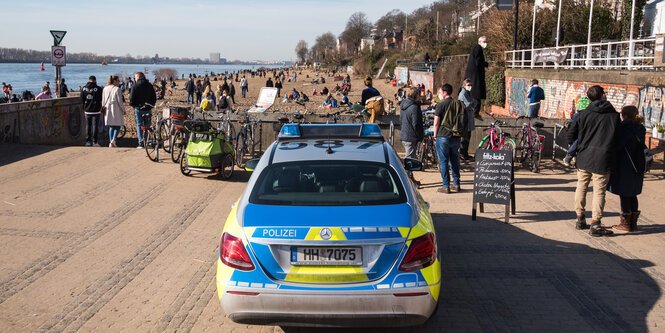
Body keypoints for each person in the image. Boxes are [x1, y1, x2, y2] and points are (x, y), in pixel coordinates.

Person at [567, 85, 620, 237]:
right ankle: (595, 223)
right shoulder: (614, 116)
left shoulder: (583, 114)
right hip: (603, 159)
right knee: (599, 191)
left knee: (581, 187)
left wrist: (577, 147)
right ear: (603, 96)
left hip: (584, 157)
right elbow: (619, 138)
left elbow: (571, 135)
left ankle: (580, 218)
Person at [608, 105, 646, 232]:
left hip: (625, 165)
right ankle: (633, 223)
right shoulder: (640, 128)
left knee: (624, 194)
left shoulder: (624, 128)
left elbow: (618, 147)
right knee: (633, 194)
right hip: (638, 164)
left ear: (623, 115)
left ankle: (625, 224)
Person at [433, 83, 465, 193]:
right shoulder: (458, 104)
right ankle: (456, 184)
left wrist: (435, 135)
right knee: (454, 161)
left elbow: (436, 123)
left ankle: (446, 186)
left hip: (443, 136)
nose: (440, 95)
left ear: (445, 93)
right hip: (456, 136)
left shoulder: (440, 105)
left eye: (441, 93)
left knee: (443, 161)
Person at [400, 87, 424, 187]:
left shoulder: (403, 106)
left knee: (410, 158)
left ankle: (410, 178)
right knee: (409, 159)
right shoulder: (414, 107)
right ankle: (407, 182)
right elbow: (416, 123)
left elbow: (401, 120)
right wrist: (420, 135)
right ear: (416, 95)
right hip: (411, 136)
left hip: (404, 134)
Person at [129, 71, 157, 149]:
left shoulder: (134, 86)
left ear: (138, 77)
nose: (134, 79)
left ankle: (141, 143)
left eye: (135, 78)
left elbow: (131, 98)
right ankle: (147, 141)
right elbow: (154, 97)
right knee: (147, 125)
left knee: (139, 125)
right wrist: (151, 105)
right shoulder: (149, 85)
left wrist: (133, 105)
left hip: (138, 108)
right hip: (148, 108)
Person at [464, 36, 489, 118]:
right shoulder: (478, 48)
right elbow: (478, 62)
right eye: (484, 41)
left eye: (486, 41)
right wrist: (485, 64)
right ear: (479, 42)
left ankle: (474, 111)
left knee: (473, 93)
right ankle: (475, 112)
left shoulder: (476, 49)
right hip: (475, 76)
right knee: (476, 94)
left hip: (472, 75)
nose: (485, 43)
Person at [563, 97, 591, 166]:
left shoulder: (590, 115)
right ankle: (569, 156)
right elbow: (572, 129)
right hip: (578, 135)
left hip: (586, 134)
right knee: (576, 142)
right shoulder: (577, 116)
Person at [102, 75, 125, 148]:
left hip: (107, 108)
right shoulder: (117, 89)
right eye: (118, 81)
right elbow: (120, 101)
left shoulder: (105, 88)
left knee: (111, 126)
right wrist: (123, 110)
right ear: (114, 81)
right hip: (116, 108)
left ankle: (110, 141)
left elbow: (103, 100)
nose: (119, 82)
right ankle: (114, 140)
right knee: (117, 125)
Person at [457, 79, 477, 160]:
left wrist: (472, 103)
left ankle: (465, 153)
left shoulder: (468, 93)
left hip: (468, 119)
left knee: (467, 138)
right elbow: (468, 105)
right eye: (468, 85)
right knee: (464, 138)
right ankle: (463, 154)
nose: (470, 87)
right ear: (464, 85)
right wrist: (472, 103)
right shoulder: (463, 94)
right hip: (465, 120)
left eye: (471, 85)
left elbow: (474, 103)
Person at [81, 76, 103, 147]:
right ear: (95, 80)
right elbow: (100, 98)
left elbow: (82, 99)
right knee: (95, 126)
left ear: (89, 80)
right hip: (96, 110)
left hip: (87, 110)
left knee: (88, 125)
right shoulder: (98, 89)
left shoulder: (84, 88)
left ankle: (87, 141)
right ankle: (95, 141)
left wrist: (84, 106)